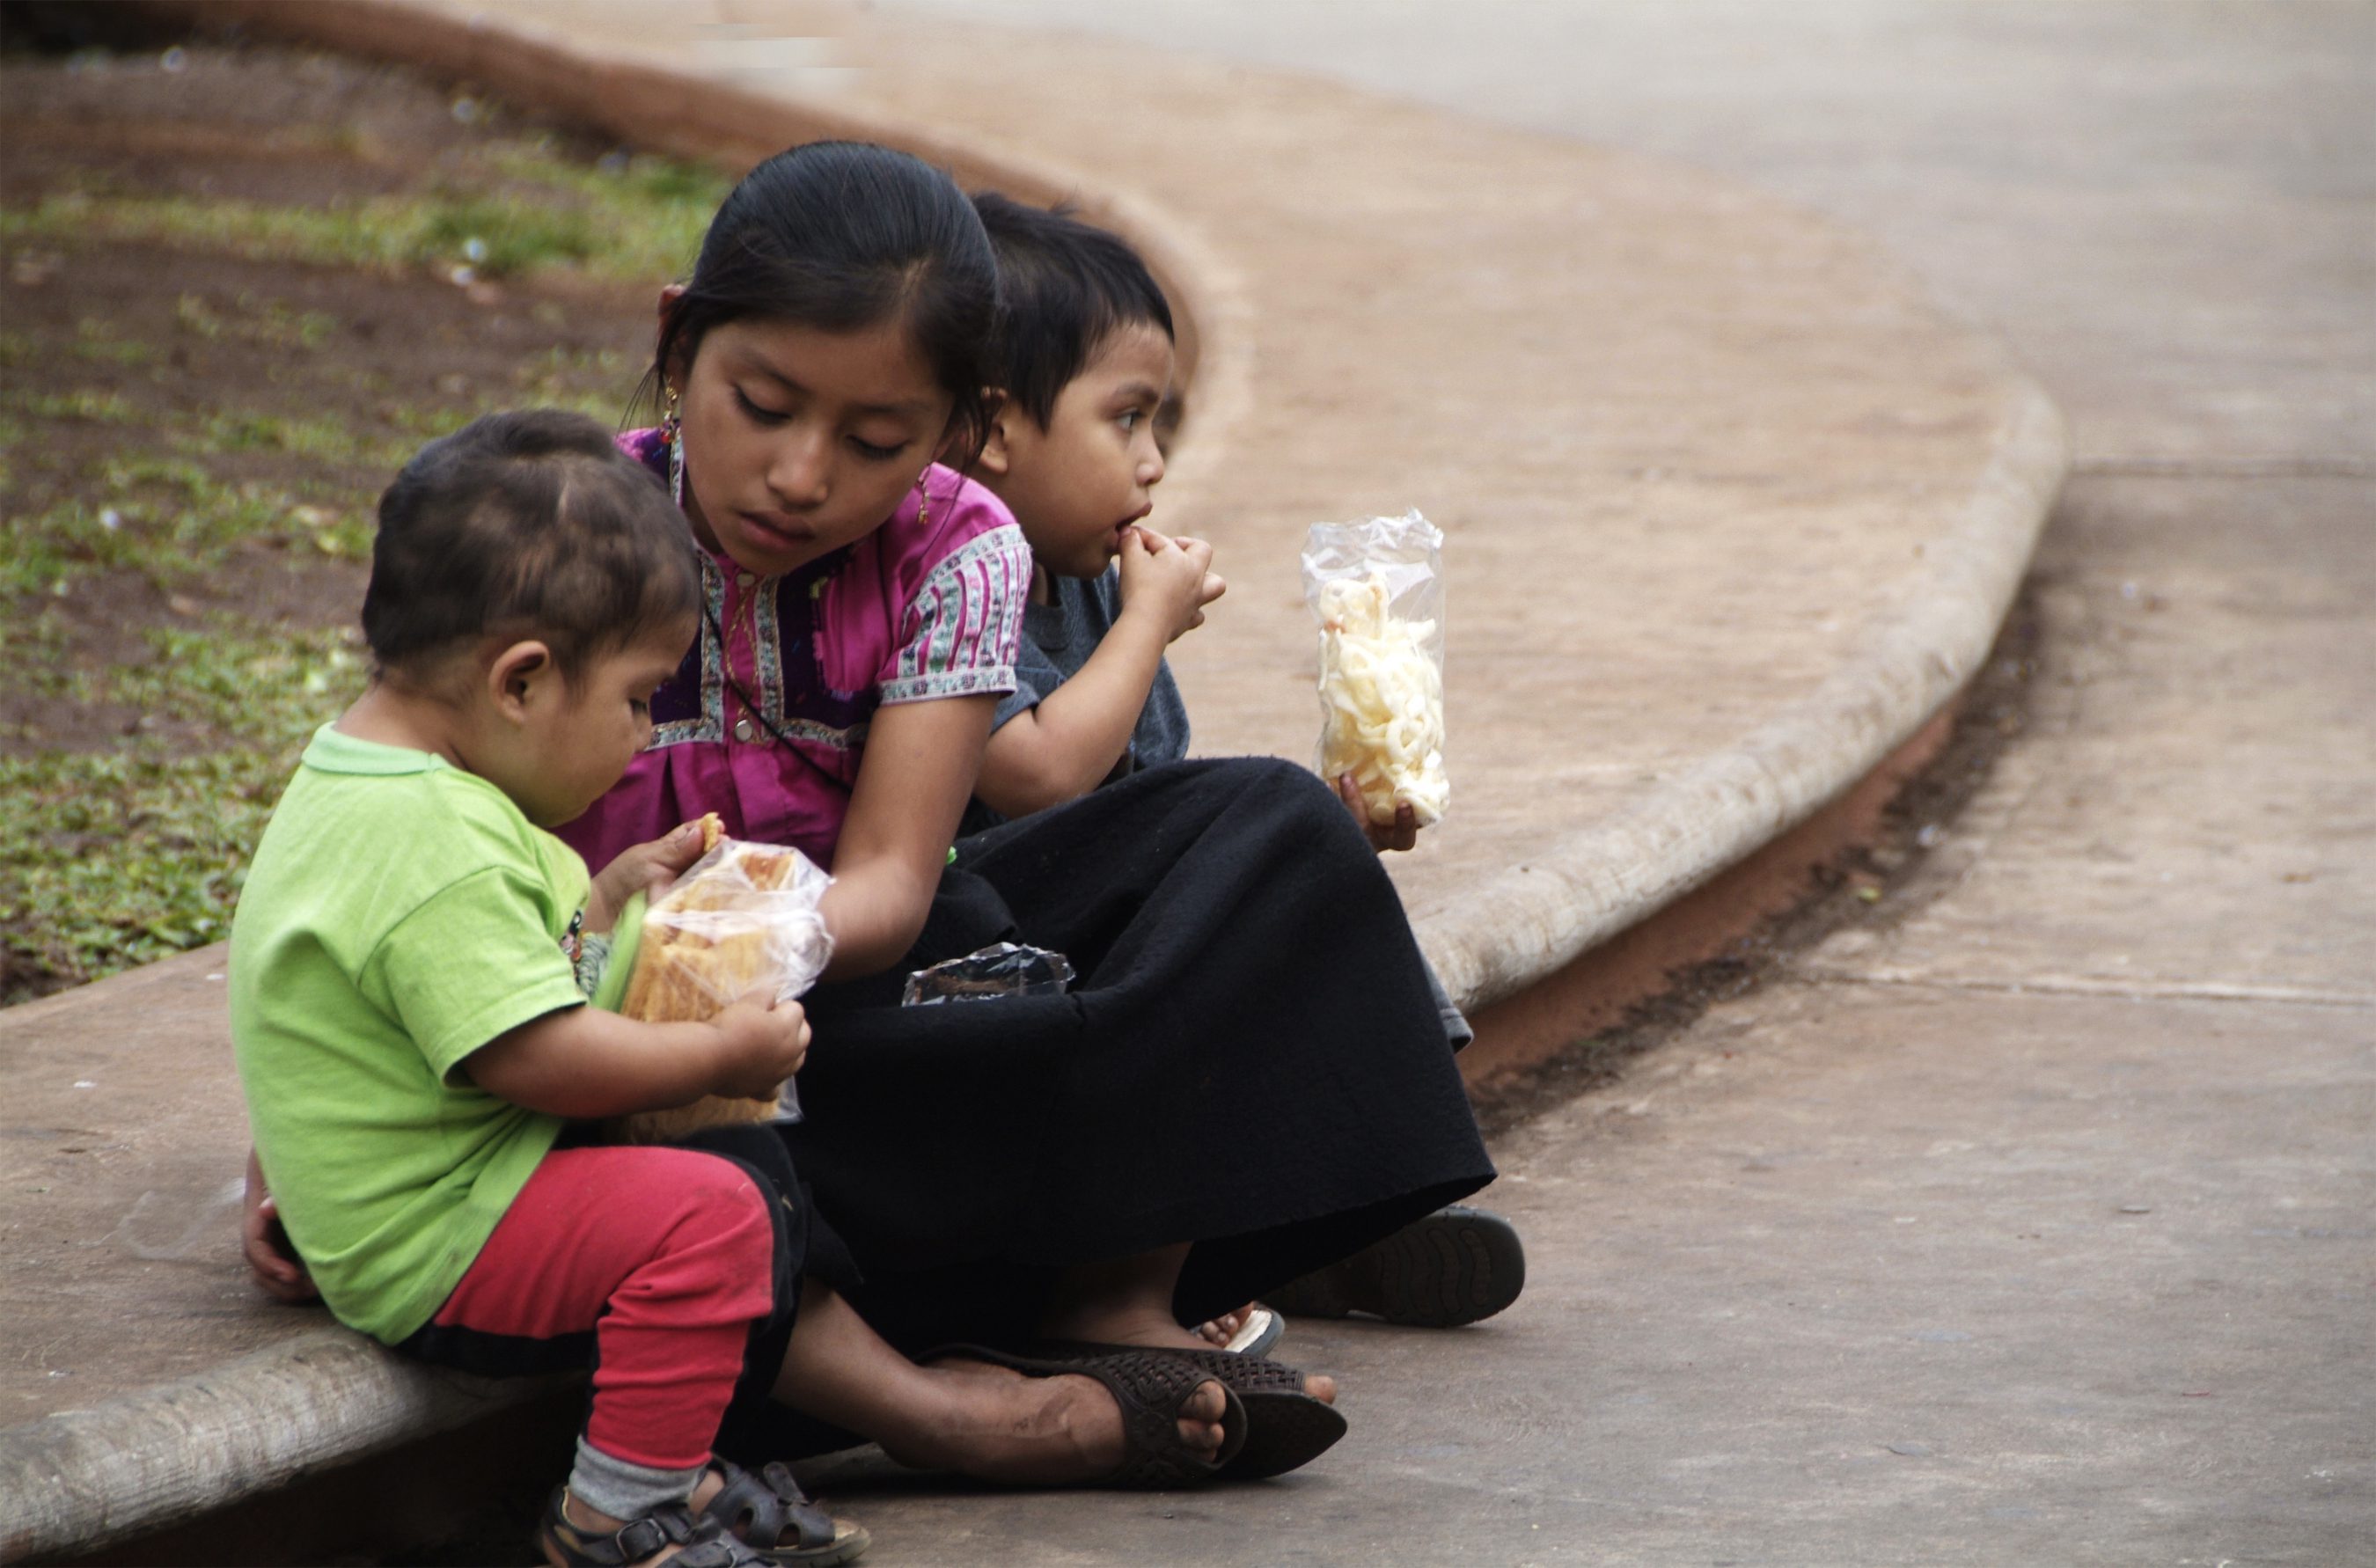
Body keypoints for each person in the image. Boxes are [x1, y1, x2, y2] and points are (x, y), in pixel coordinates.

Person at [555, 137, 1497, 1450]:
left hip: (866, 1019)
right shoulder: (565, 527)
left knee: (1270, 827)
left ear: (952, 432)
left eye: (876, 438)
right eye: (762, 405)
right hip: (619, 1046)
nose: (803, 475)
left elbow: (889, 886)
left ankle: (1105, 1298)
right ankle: (958, 1404)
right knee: (701, 1147)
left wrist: (754, 942)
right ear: (678, 339)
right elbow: (410, 828)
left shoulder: (957, 547)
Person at [231, 411, 1249, 1568]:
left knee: (725, 1181)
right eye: (631, 702)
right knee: (710, 1214)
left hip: (435, 1188)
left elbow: (469, 986)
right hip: (435, 1229)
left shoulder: (386, 789)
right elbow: (536, 1057)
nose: (633, 744)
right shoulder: (435, 839)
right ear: (522, 680)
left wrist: (609, 903)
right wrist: (720, 1057)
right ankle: (619, 1511)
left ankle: (680, 1469)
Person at [957, 192, 1526, 1337]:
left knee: (1281, 855)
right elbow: (1037, 779)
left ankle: (1319, 1209)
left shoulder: (1094, 587)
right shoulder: (955, 575)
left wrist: (1321, 831)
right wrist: (1146, 629)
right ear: (995, 424)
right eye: (1126, 421)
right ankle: (1201, 1255)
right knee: (1242, 857)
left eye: (1161, 423)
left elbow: (1154, 812)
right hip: (984, 943)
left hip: (1087, 912)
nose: (1156, 463)